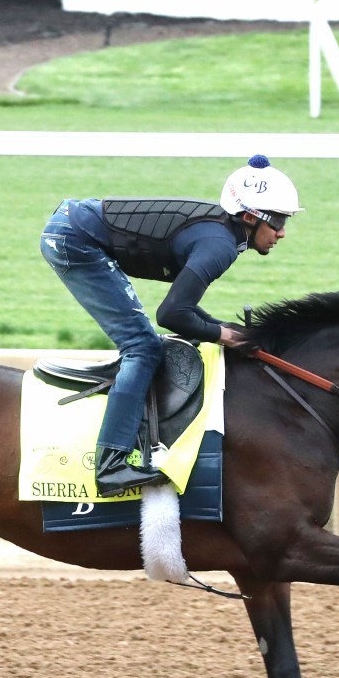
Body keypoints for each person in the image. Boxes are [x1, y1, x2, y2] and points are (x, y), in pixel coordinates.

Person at [40, 154, 304, 497]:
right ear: (251, 217)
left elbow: (185, 307)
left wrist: (223, 330)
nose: (282, 233)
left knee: (150, 343)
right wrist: (224, 334)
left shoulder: (224, 234)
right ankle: (111, 465)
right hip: (74, 238)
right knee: (143, 348)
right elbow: (172, 315)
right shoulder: (219, 246)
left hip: (75, 225)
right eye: (279, 221)